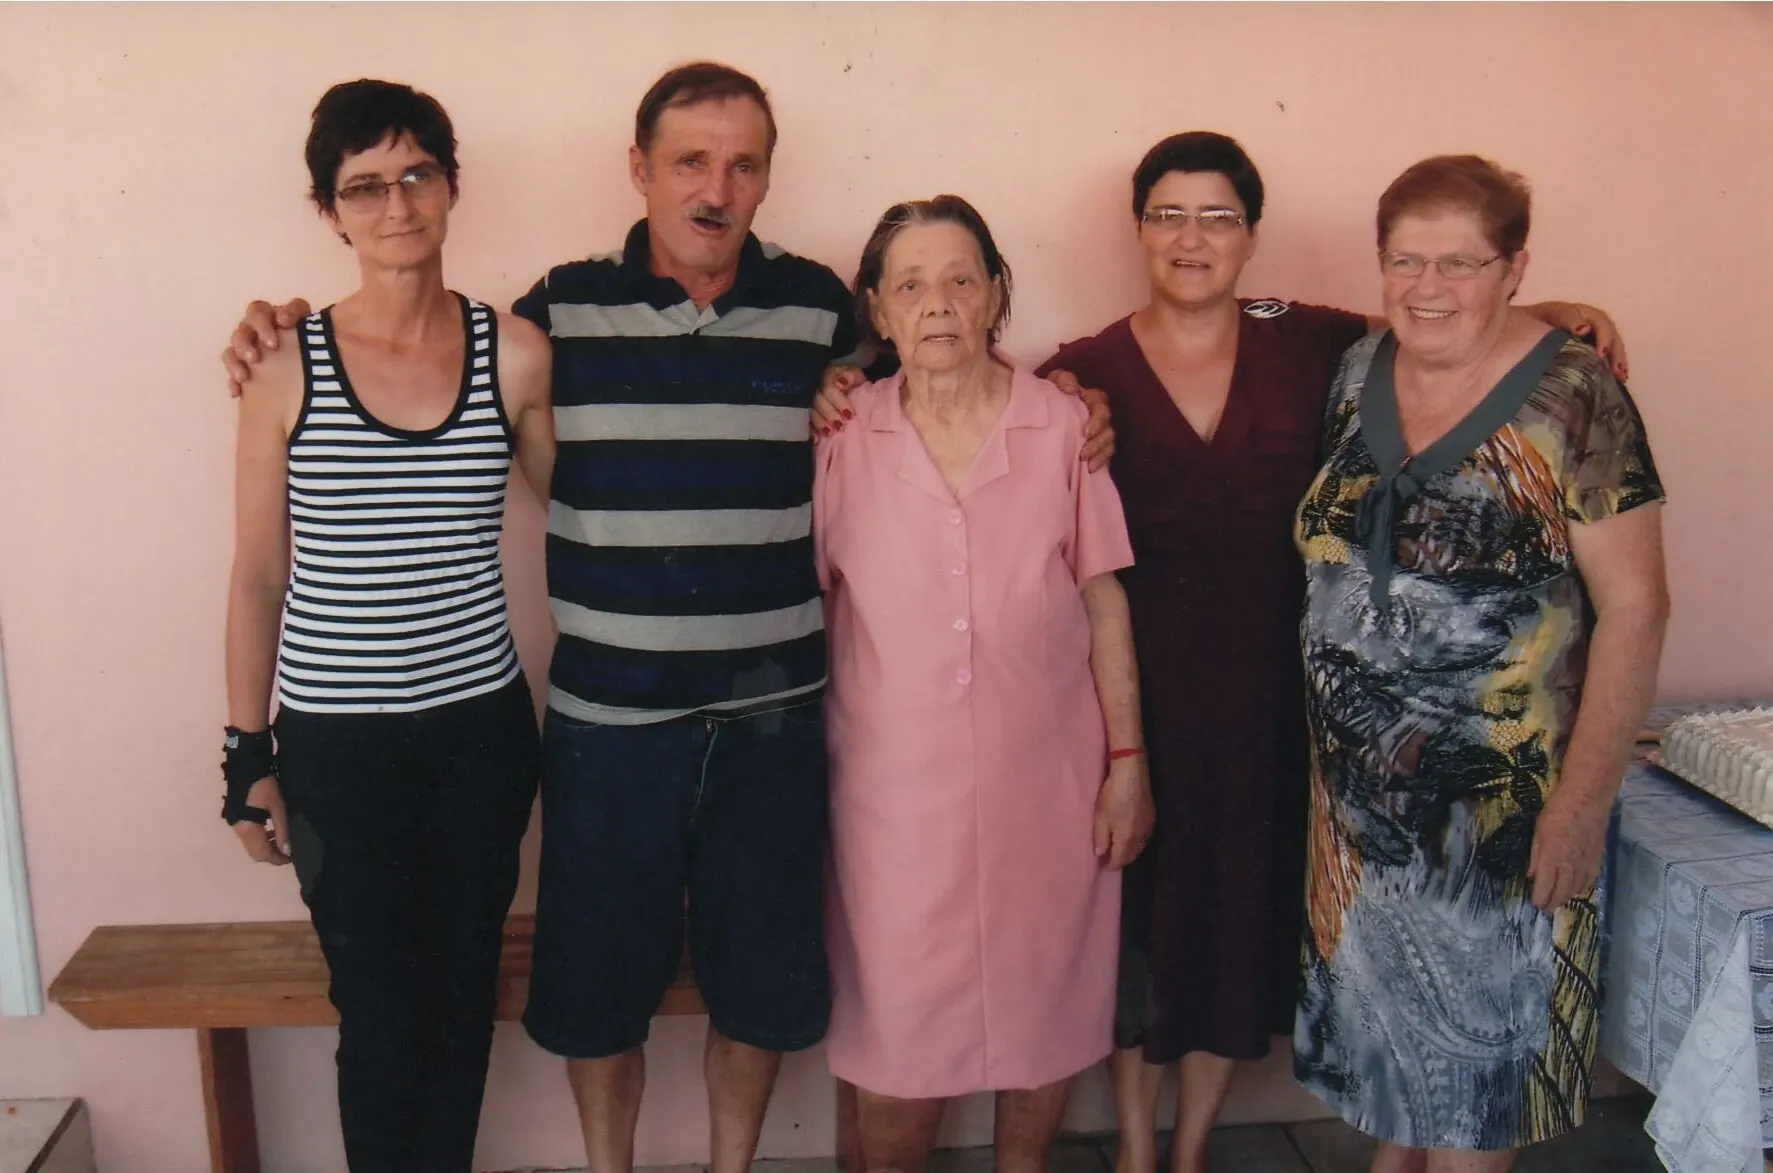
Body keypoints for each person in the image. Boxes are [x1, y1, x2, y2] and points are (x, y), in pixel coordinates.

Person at [220, 63, 1111, 1173]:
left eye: (743, 164)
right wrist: (280, 321)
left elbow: (948, 367)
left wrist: (1071, 395)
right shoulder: (553, 314)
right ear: (638, 169)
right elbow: (420, 353)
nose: (716, 187)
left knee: (759, 984)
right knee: (596, 992)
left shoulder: (828, 310)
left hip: (776, 719)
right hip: (607, 719)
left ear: (768, 178)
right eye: (689, 160)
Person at [817, 131, 1627, 1173]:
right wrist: (833, 384)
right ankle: (1141, 1152)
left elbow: (1431, 319)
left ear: (1250, 235)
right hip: (1050, 736)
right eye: (1168, 213)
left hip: (1255, 711)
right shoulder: (1062, 384)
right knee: (1115, 947)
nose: (1191, 237)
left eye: (1218, 216)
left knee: (1201, 939)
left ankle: (1185, 1154)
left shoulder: (1285, 348)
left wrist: (1545, 317)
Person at [1292, 154, 1668, 1173]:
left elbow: (1636, 609)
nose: (1427, 286)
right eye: (1406, 260)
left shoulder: (1576, 398)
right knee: (1390, 1106)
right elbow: (1231, 309)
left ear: (1515, 267)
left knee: (1475, 1122)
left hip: (1502, 830)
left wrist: (1581, 810)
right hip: (1365, 828)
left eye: (1460, 263)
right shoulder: (1355, 369)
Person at [221, 79, 553, 1173]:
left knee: (461, 1007)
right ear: (332, 211)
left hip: (478, 739)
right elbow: (260, 572)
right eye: (365, 186)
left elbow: (589, 514)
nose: (395, 204)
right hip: (337, 746)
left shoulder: (513, 353)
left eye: (417, 174)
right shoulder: (282, 365)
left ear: (452, 186)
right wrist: (245, 752)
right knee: (377, 1014)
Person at [815, 195, 1152, 1173]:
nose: (939, 304)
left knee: (1043, 1019)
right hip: (887, 806)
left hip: (1047, 789)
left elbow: (1104, 603)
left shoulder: (1061, 430)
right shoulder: (841, 441)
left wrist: (1127, 762)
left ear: (997, 294)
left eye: (962, 279)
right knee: (897, 1043)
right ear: (876, 311)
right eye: (910, 285)